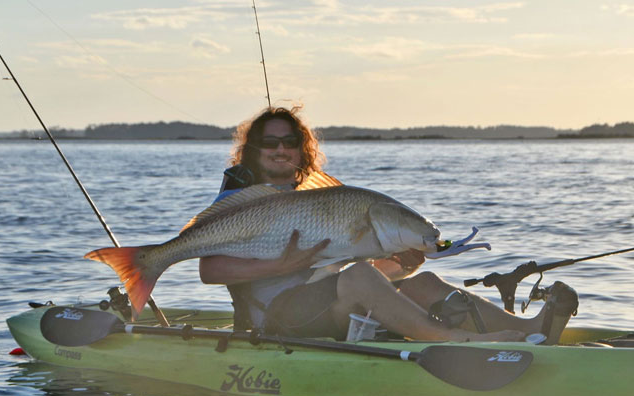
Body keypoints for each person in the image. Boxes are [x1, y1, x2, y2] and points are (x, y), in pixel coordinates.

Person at [199, 106, 578, 343]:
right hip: (277, 319)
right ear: (254, 148)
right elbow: (209, 269)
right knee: (361, 275)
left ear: (302, 147)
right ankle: (453, 340)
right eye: (269, 142)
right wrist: (279, 266)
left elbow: (333, 274)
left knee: (420, 280)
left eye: (290, 141)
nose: (281, 149)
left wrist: (398, 266)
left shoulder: (317, 197)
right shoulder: (240, 197)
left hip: (318, 305)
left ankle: (531, 332)